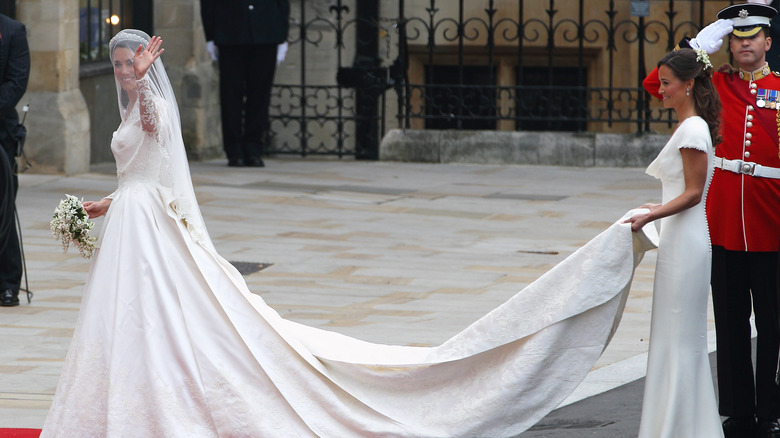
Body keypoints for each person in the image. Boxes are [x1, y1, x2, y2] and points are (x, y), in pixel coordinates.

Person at [40, 29, 661, 437]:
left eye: (130, 63)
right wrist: (98, 206)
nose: (122, 71)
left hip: (150, 234)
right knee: (127, 320)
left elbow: (157, 135)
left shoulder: (148, 102)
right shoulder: (125, 104)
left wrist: (147, 83)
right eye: (119, 64)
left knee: (163, 318)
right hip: (132, 222)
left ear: (145, 67)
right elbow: (142, 172)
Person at [644, 3, 780, 437]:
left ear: (767, 42)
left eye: (752, 35)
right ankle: (739, 410)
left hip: (770, 219)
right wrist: (695, 46)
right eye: (736, 36)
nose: (743, 43)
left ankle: (770, 409)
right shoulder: (715, 82)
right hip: (721, 220)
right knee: (730, 321)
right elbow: (656, 85)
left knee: (774, 324)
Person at [627, 48, 722, 438]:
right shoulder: (688, 126)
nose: (660, 90)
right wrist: (659, 205)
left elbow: (694, 193)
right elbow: (680, 190)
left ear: (689, 85)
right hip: (679, 240)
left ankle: (683, 428)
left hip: (686, 242)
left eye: (667, 83)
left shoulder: (693, 129)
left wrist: (652, 214)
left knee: (682, 338)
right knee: (671, 335)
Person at [199, 0, 290, 168]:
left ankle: (253, 148)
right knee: (230, 95)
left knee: (260, 95)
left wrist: (283, 36)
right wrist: (210, 36)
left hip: (266, 30)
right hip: (230, 32)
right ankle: (234, 150)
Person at [0, 13, 29, 307]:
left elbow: (17, 82)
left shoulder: (12, 31)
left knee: (3, 205)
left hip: (2, 133)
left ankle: (8, 283)